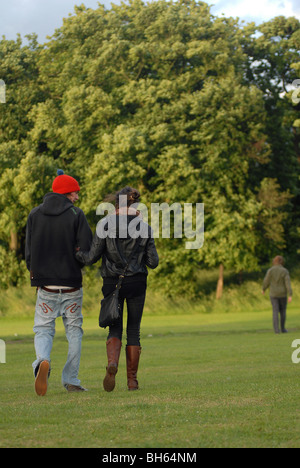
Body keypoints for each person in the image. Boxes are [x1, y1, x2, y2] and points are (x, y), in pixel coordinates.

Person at [76, 186, 159, 392]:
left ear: (116, 204)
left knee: (115, 327)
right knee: (134, 330)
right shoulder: (144, 227)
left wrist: (76, 252)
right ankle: (132, 381)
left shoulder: (105, 224)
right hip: (137, 282)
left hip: (112, 282)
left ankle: (112, 363)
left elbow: (91, 257)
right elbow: (153, 262)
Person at [25, 169, 92, 395]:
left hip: (46, 285)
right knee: (74, 331)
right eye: (75, 193)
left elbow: (28, 253)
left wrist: (36, 273)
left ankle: (42, 362)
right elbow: (86, 250)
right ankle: (71, 379)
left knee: (43, 329)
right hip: (71, 284)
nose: (77, 197)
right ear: (65, 193)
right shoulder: (76, 214)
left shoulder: (34, 214)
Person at [262, 255, 293, 334]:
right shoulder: (285, 271)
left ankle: (276, 330)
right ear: (282, 262)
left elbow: (266, 281)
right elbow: (287, 283)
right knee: (283, 311)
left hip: (273, 294)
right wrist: (290, 294)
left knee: (275, 311)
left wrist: (263, 289)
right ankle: (283, 329)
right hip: (283, 294)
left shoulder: (270, 270)